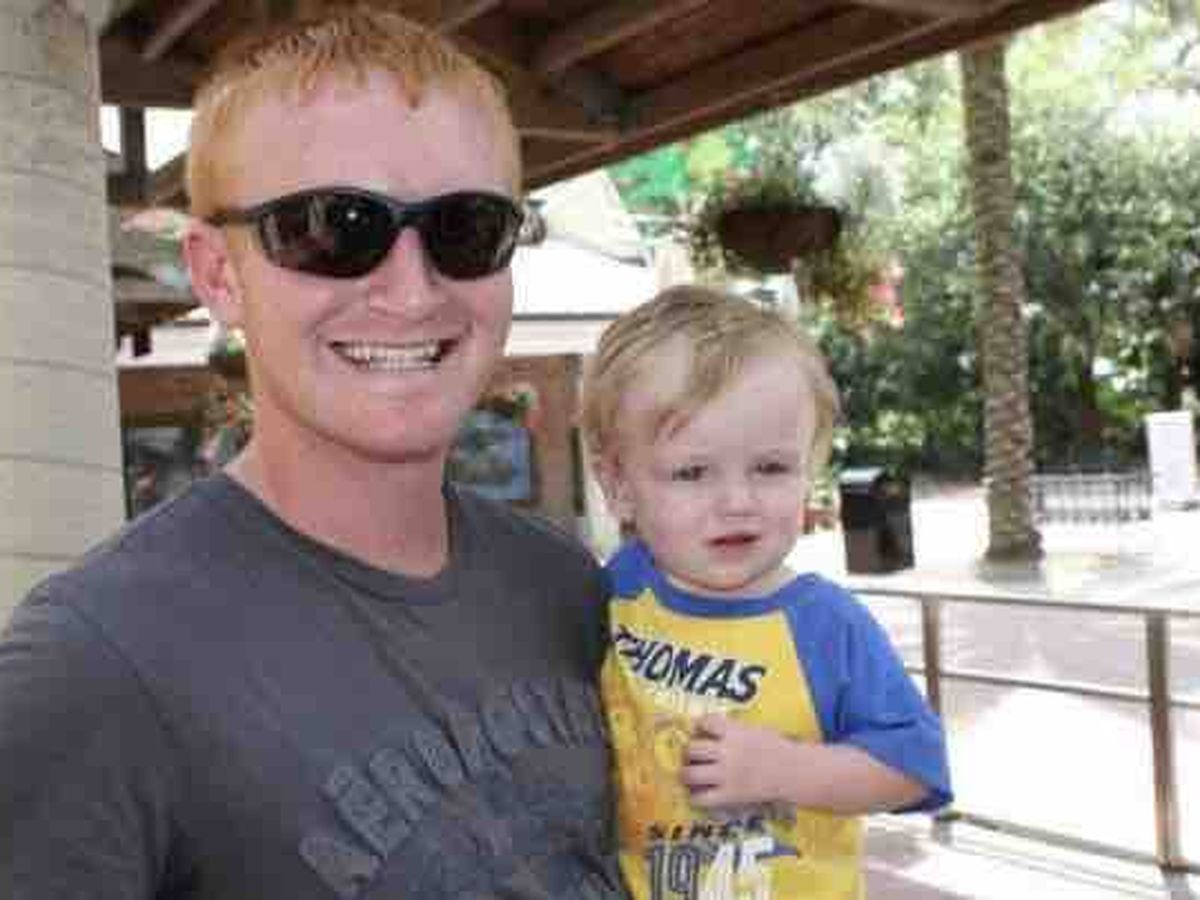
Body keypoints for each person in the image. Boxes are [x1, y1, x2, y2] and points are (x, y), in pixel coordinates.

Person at [0, 8, 627, 899]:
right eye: (333, 228)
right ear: (219, 274)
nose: (412, 291)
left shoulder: (564, 588)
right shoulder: (95, 662)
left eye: (467, 229)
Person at [580, 285, 951, 900]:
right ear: (618, 485)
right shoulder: (616, 591)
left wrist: (788, 770)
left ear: (810, 469)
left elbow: (914, 768)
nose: (737, 502)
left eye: (771, 468)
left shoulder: (827, 625)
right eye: (692, 472)